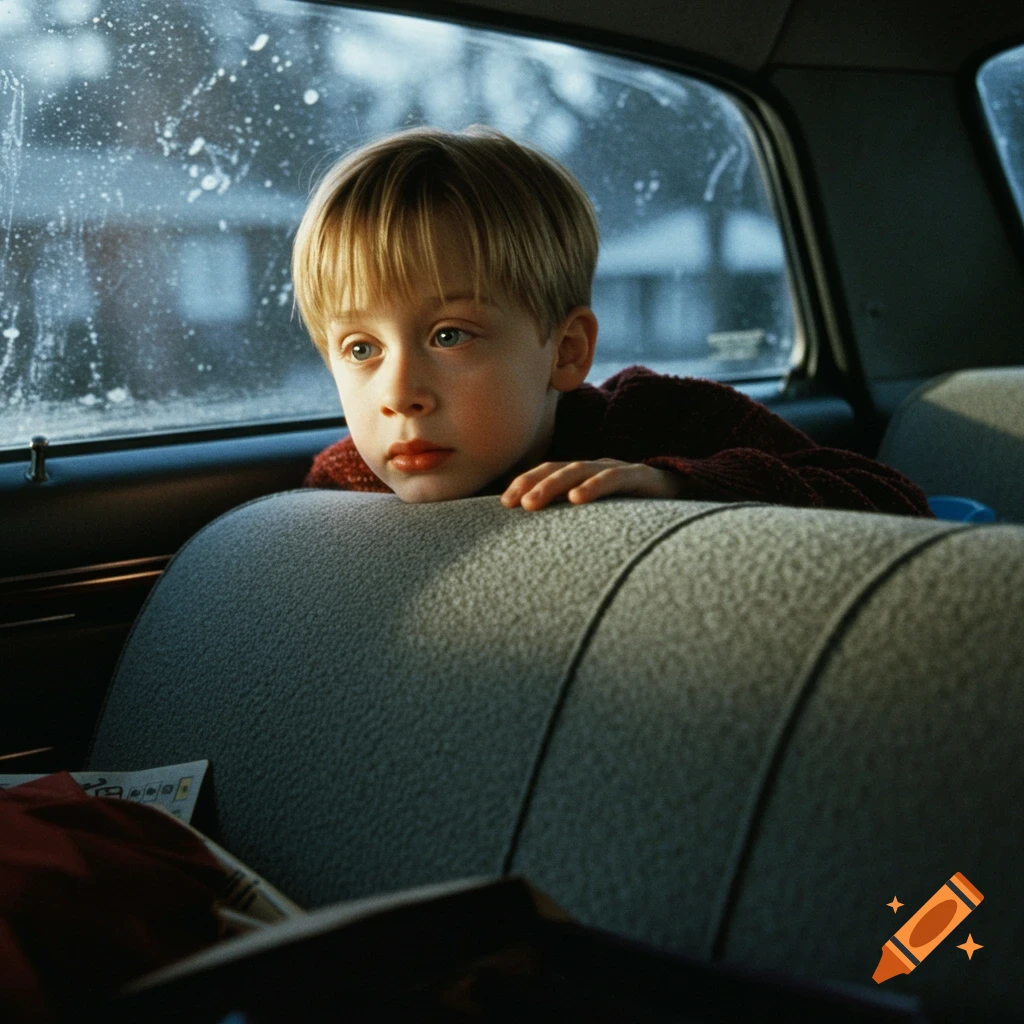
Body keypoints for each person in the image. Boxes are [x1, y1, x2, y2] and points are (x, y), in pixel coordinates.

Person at [291, 126, 931, 517]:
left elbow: (896, 505)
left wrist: (679, 486)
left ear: (566, 351)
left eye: (448, 335)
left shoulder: (666, 422)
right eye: (360, 348)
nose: (400, 395)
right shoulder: (345, 483)